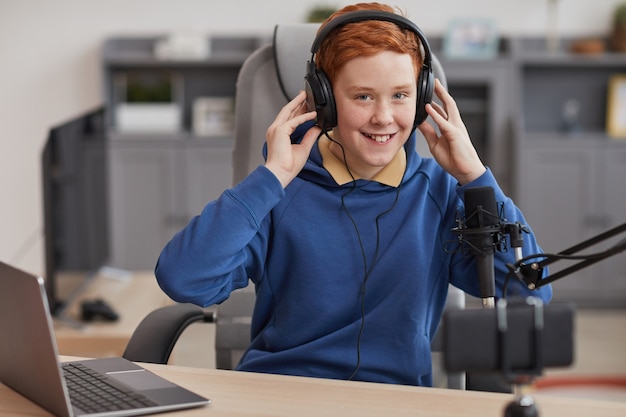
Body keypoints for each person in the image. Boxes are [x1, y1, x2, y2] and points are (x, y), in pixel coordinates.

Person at [155, 2, 552, 387]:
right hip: (280, 393)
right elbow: (184, 279)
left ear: (423, 98)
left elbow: (527, 293)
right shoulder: (278, 193)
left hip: (391, 401)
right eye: (363, 96)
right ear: (322, 100)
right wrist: (272, 176)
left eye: (400, 95)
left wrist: (475, 177)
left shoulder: (442, 194)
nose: (383, 117)